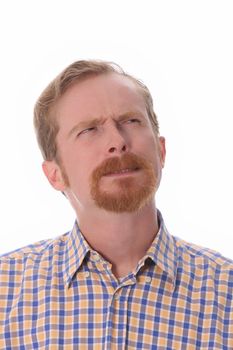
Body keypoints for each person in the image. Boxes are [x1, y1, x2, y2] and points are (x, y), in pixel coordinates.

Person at [0, 60, 232, 349]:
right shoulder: (5, 291)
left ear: (161, 151)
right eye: (89, 130)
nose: (117, 141)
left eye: (131, 121)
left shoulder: (227, 294)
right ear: (55, 175)